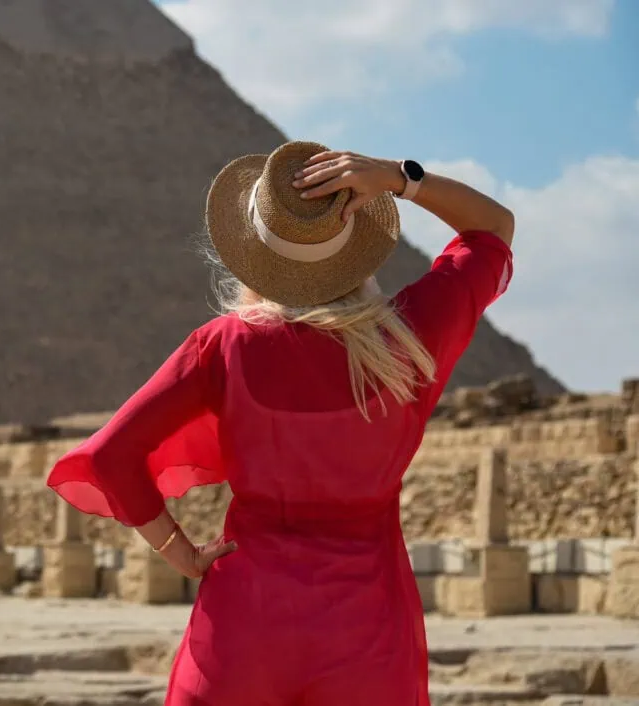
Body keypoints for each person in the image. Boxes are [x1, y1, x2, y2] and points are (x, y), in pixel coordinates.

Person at [45, 140, 515, 706]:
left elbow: (107, 457)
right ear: (355, 248)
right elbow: (492, 228)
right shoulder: (410, 341)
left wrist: (181, 552)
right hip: (367, 632)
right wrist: (399, 178)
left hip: (242, 631)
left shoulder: (223, 348)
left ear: (255, 255)